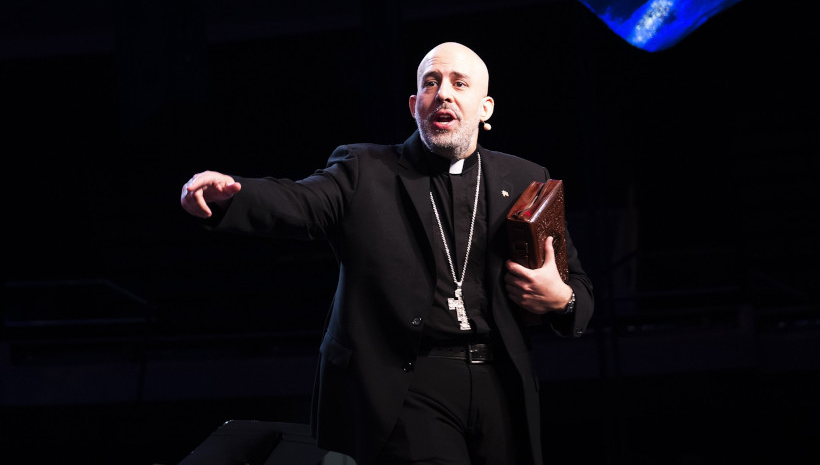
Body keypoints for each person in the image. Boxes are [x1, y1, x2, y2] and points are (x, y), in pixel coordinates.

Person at [179, 41, 594, 465]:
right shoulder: (364, 170)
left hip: (500, 382)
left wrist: (563, 299)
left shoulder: (526, 178)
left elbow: (576, 285)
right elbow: (299, 202)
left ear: (485, 108)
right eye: (431, 83)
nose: (443, 93)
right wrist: (234, 196)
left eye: (459, 83)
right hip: (409, 383)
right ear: (415, 104)